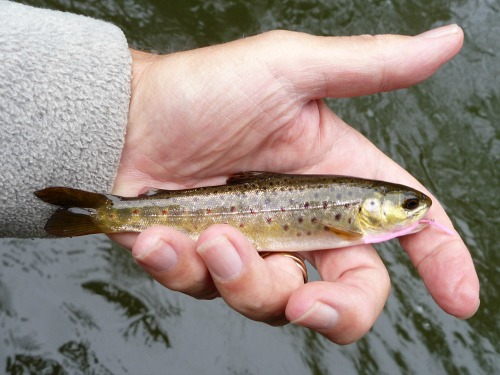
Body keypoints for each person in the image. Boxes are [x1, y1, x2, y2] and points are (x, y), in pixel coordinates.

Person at [0, 0, 479, 345]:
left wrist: (127, 106)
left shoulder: (351, 219)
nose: (416, 208)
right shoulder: (344, 223)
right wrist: (132, 105)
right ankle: (109, 213)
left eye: (410, 204)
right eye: (407, 205)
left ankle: (111, 212)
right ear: (367, 210)